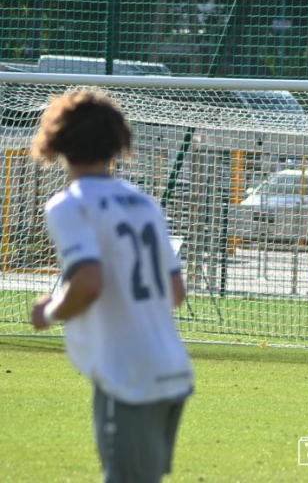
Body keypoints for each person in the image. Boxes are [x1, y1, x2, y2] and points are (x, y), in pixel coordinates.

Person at [29, 90, 193, 482]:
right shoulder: (145, 204)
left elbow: (88, 281)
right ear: (118, 140)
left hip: (129, 376)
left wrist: (49, 312)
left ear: (57, 140)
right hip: (173, 370)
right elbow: (176, 293)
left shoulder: (69, 205)